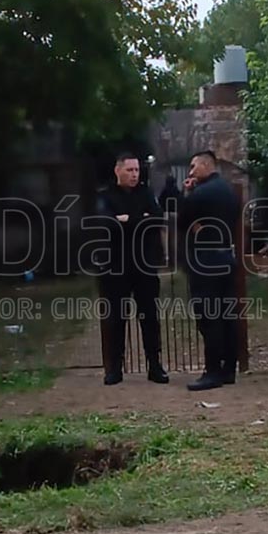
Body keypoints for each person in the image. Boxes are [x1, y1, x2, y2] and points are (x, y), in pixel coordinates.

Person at [95, 152, 169, 386]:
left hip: (145, 265)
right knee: (116, 318)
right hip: (115, 267)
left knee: (149, 317)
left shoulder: (146, 193)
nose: (134, 174)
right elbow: (105, 223)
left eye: (137, 170)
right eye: (130, 170)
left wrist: (128, 220)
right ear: (118, 170)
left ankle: (154, 365)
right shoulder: (105, 196)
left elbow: (157, 220)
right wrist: (140, 220)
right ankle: (114, 368)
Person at [178, 150, 241, 391]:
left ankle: (212, 371)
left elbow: (182, 221)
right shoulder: (229, 193)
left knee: (209, 317)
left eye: (194, 167)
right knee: (227, 316)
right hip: (226, 256)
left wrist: (188, 193)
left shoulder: (200, 194)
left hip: (205, 262)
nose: (191, 172)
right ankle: (229, 370)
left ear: (206, 166)